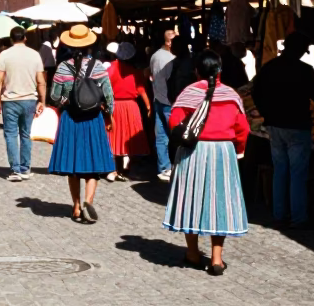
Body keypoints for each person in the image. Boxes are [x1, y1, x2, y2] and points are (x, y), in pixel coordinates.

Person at [163, 49, 250, 276]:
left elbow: (174, 122)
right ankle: (217, 259)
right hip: (223, 152)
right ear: (220, 69)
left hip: (193, 151)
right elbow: (243, 128)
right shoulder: (231, 95)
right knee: (219, 202)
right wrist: (238, 150)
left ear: (196, 70)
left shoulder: (189, 93)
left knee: (191, 199)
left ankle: (192, 253)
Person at [250, 33, 314, 229]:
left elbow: (255, 91)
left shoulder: (269, 67)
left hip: (274, 125)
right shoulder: (305, 70)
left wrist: (266, 112)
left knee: (280, 170)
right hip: (297, 126)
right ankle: (298, 217)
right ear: (300, 50)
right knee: (297, 173)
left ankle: (279, 213)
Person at [47, 25, 115, 223]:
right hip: (93, 119)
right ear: (89, 45)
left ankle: (76, 207)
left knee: (73, 165)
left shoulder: (62, 67)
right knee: (92, 165)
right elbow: (109, 96)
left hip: (71, 119)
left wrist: (66, 102)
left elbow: (54, 96)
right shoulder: (99, 67)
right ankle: (88, 201)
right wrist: (109, 115)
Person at [0, 26, 47, 181]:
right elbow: (41, 81)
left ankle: (15, 170)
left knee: (10, 134)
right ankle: (25, 168)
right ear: (25, 38)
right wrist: (43, 101)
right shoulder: (34, 55)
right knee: (26, 134)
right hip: (29, 99)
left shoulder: (4, 55)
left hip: (9, 100)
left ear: (11, 39)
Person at [105, 42, 151, 181]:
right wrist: (148, 106)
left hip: (115, 106)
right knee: (131, 137)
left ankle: (113, 170)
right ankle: (128, 169)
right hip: (131, 107)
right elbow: (141, 90)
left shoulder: (110, 69)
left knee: (114, 137)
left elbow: (105, 88)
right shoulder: (135, 71)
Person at [149, 25, 178, 182]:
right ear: (168, 42)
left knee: (161, 137)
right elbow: (170, 81)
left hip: (158, 100)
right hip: (167, 102)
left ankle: (163, 168)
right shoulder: (170, 59)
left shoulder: (154, 56)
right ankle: (172, 166)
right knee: (173, 136)